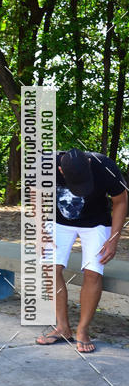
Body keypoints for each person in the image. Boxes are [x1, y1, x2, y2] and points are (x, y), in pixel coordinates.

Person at [36, 148, 127, 353]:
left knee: (93, 272)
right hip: (59, 221)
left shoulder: (104, 166)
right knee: (50, 268)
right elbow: (36, 194)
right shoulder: (46, 165)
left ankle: (82, 330)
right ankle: (62, 328)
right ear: (60, 170)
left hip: (96, 223)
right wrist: (40, 231)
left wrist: (113, 238)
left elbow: (121, 200)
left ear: (88, 163)